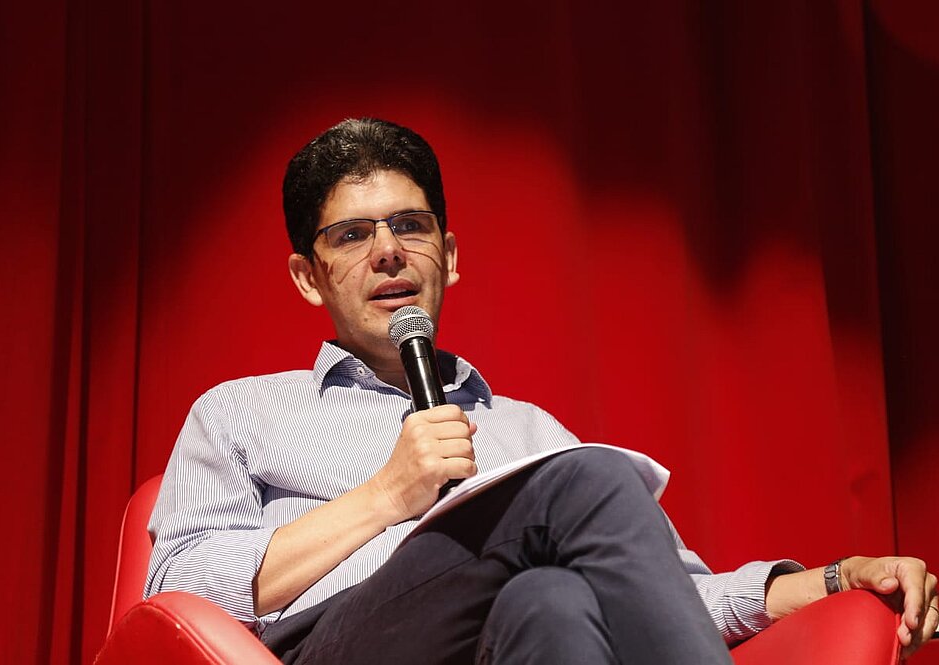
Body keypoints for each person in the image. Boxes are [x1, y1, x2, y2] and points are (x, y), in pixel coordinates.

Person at [146, 117, 937, 663]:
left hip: (504, 643)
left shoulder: (528, 431)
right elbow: (176, 589)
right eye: (351, 235)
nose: (387, 252)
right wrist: (386, 494)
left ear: (449, 256)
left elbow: (662, 596)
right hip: (328, 647)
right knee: (586, 478)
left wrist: (833, 578)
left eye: (409, 226)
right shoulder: (239, 412)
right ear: (307, 277)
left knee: (552, 600)